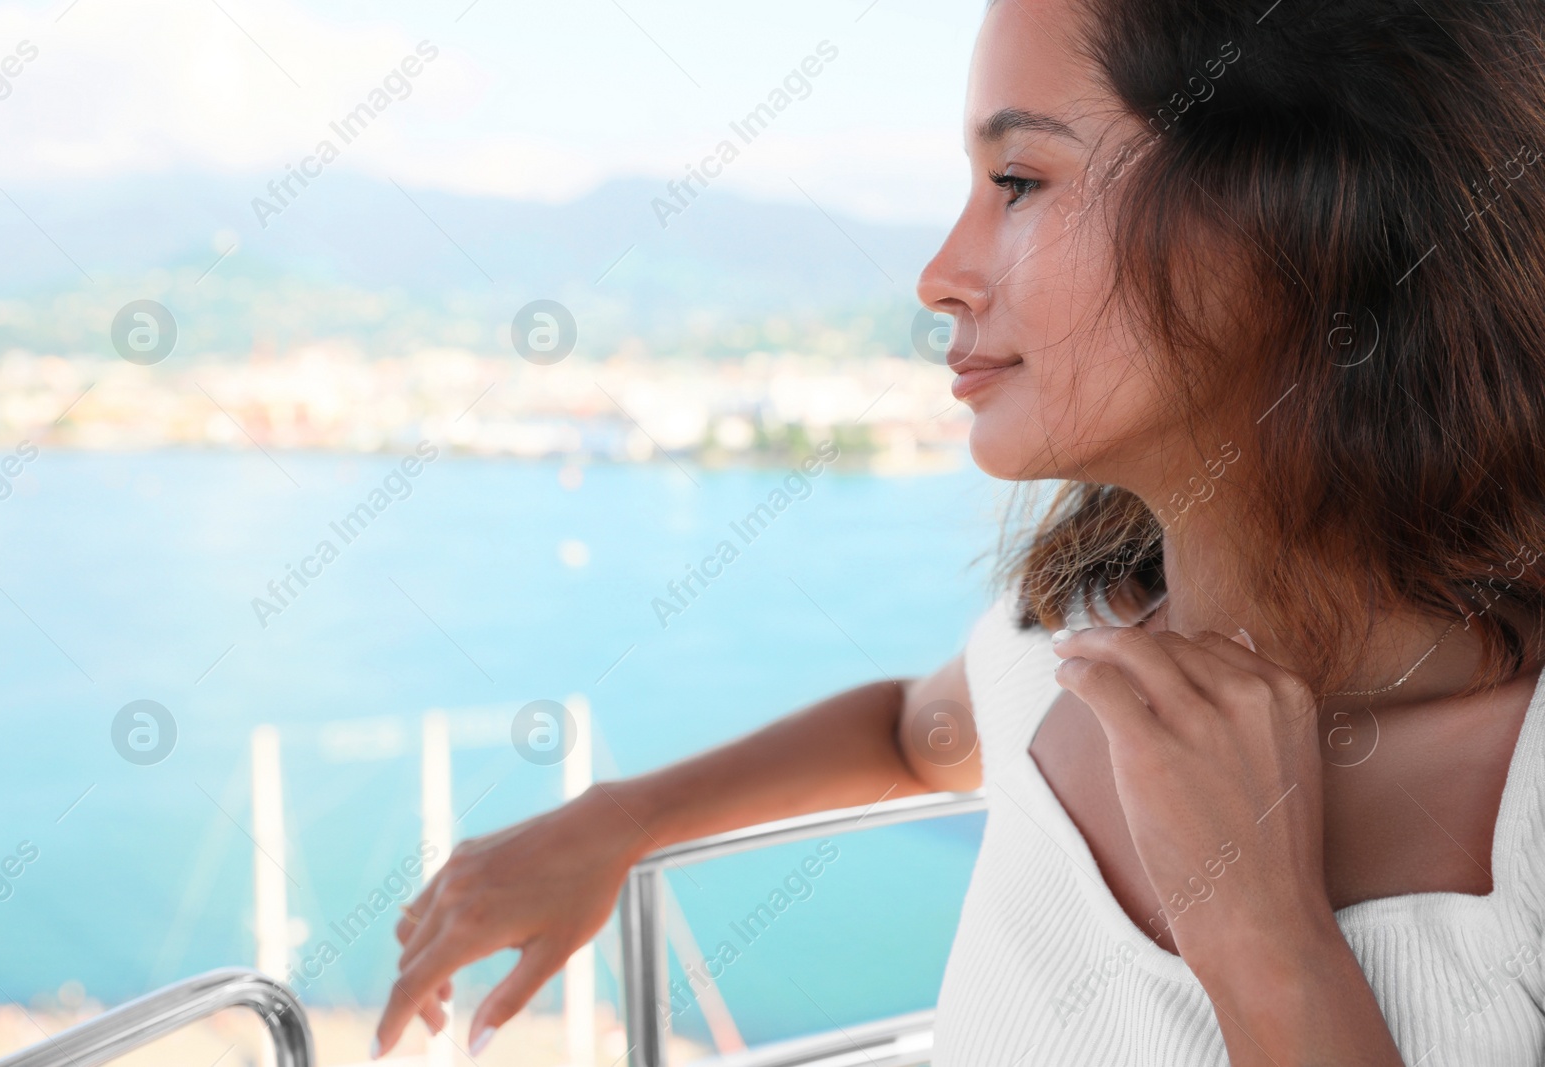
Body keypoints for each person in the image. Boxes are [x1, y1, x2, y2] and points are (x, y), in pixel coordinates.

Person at [374, 0, 1545, 1061]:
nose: (939, 274)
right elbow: (907, 727)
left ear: (1299, 216)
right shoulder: (1055, 652)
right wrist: (619, 818)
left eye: (1020, 180)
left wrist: (1258, 933)